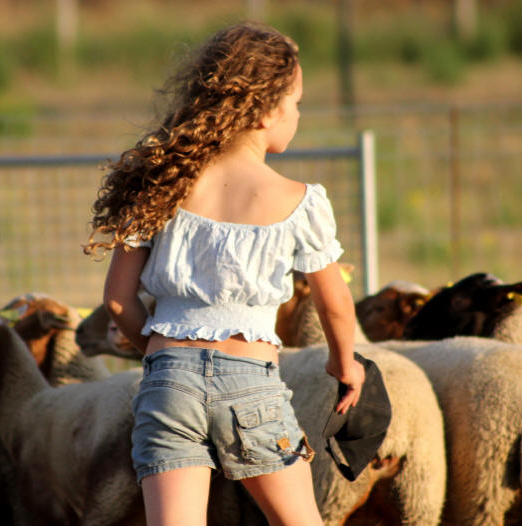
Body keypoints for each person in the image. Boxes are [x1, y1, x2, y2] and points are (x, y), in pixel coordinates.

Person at [84, 21, 365, 526]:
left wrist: (152, 349)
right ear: (264, 111)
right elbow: (335, 304)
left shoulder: (160, 182)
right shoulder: (299, 202)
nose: (298, 114)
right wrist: (347, 365)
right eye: (296, 103)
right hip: (250, 383)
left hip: (168, 381)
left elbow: (118, 300)